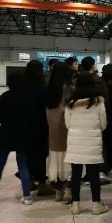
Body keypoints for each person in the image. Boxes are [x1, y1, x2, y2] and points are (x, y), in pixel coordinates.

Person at [64, 72, 109, 215]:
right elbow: (103, 125)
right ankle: (96, 205)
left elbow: (67, 124)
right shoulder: (98, 103)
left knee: (76, 174)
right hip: (92, 142)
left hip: (75, 143)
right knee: (94, 174)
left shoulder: (70, 104)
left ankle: (75, 205)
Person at [0, 71, 33, 206]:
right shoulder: (28, 98)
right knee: (23, 165)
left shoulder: (4, 97)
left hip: (5, 134)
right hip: (23, 134)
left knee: (0, 164)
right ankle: (27, 196)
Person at [25, 60, 55, 196]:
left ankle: (29, 179)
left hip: (27, 125)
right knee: (41, 153)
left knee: (28, 153)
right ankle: (42, 183)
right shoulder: (43, 87)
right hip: (41, 124)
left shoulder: (22, 86)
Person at [45, 62, 74, 202]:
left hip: (52, 127)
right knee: (68, 160)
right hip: (67, 127)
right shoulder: (69, 89)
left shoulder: (49, 90)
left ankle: (58, 191)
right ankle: (68, 190)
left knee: (56, 159)